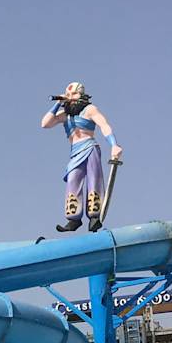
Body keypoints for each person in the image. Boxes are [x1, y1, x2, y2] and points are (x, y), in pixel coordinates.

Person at [42, 82, 122, 232]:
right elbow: (45, 123)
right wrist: (58, 104)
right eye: (68, 95)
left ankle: (94, 216)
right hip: (75, 151)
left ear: (82, 95)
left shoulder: (89, 110)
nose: (71, 97)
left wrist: (114, 144)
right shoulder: (65, 115)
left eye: (74, 94)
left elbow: (104, 125)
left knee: (94, 180)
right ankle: (74, 219)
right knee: (73, 179)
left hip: (90, 147)